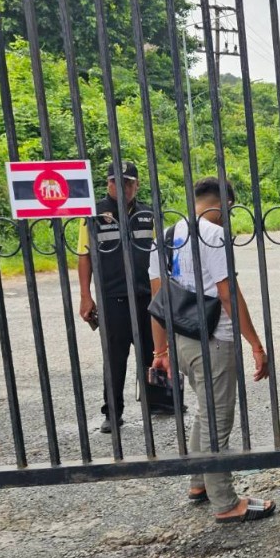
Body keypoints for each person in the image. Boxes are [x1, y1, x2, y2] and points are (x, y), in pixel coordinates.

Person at [149, 178, 275, 523]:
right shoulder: (213, 235)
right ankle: (226, 503)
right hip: (214, 340)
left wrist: (160, 351)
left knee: (205, 413)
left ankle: (199, 482)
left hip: (180, 340)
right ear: (224, 204)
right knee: (217, 419)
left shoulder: (166, 236)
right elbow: (227, 293)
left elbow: (157, 299)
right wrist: (255, 343)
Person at [77, 162, 175, 432]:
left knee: (153, 351)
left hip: (147, 298)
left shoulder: (148, 214)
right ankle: (112, 412)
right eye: (115, 182)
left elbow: (159, 254)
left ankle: (159, 401)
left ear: (137, 185)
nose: (122, 187)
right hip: (113, 298)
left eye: (128, 182)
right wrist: (85, 296)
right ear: (108, 184)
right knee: (115, 359)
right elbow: (84, 256)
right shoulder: (93, 214)